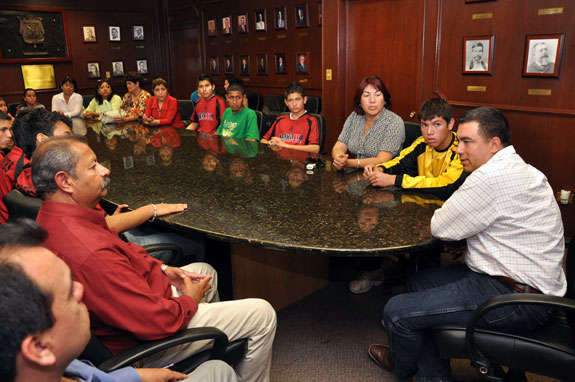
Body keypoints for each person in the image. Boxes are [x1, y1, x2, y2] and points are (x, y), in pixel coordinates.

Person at [32, 136, 277, 381]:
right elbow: (154, 320)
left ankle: (207, 352)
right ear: (64, 181)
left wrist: (163, 268)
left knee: (205, 271)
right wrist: (189, 301)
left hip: (142, 305)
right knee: (263, 314)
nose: (105, 170)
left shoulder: (55, 218)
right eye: (93, 166)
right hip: (144, 340)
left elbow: (126, 253)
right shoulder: (89, 252)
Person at [369, 107, 566, 381]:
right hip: (530, 285)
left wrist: (459, 234)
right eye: (459, 140)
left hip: (516, 299)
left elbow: (440, 225)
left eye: (467, 142)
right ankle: (432, 373)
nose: (459, 149)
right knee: (419, 282)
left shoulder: (488, 177)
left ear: (494, 144)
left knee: (396, 310)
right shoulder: (524, 169)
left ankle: (407, 368)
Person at [0, 220, 238, 382]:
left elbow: (89, 375)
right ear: (39, 348)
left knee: (217, 368)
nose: (81, 289)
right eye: (67, 291)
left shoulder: (61, 366)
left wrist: (136, 377)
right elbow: (155, 320)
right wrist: (188, 300)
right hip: (154, 331)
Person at [352, 98, 467, 294]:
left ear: (450, 124)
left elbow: (446, 185)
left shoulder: (460, 148)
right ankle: (373, 271)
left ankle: (420, 290)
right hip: (418, 205)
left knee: (426, 242)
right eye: (424, 125)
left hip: (448, 212)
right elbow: (400, 162)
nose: (429, 132)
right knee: (372, 214)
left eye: (437, 125)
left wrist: (395, 180)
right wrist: (379, 168)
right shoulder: (422, 143)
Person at [0, 109, 72, 223]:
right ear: (40, 139)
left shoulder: (13, 155)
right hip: (13, 228)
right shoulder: (26, 167)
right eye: (66, 137)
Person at [332, 76, 404, 170]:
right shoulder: (354, 117)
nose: (372, 101)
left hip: (383, 177)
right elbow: (339, 145)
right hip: (355, 175)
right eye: (366, 95)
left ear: (384, 99)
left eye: (377, 95)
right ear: (360, 101)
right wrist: (339, 158)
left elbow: (383, 160)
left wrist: (349, 163)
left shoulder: (394, 122)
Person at [261, 83, 319, 153]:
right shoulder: (280, 119)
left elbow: (315, 148)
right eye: (290, 100)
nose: (294, 104)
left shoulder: (311, 121)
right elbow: (263, 140)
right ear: (286, 102)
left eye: (297, 99)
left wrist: (285, 145)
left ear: (305, 100)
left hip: (300, 161)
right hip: (280, 161)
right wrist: (270, 143)